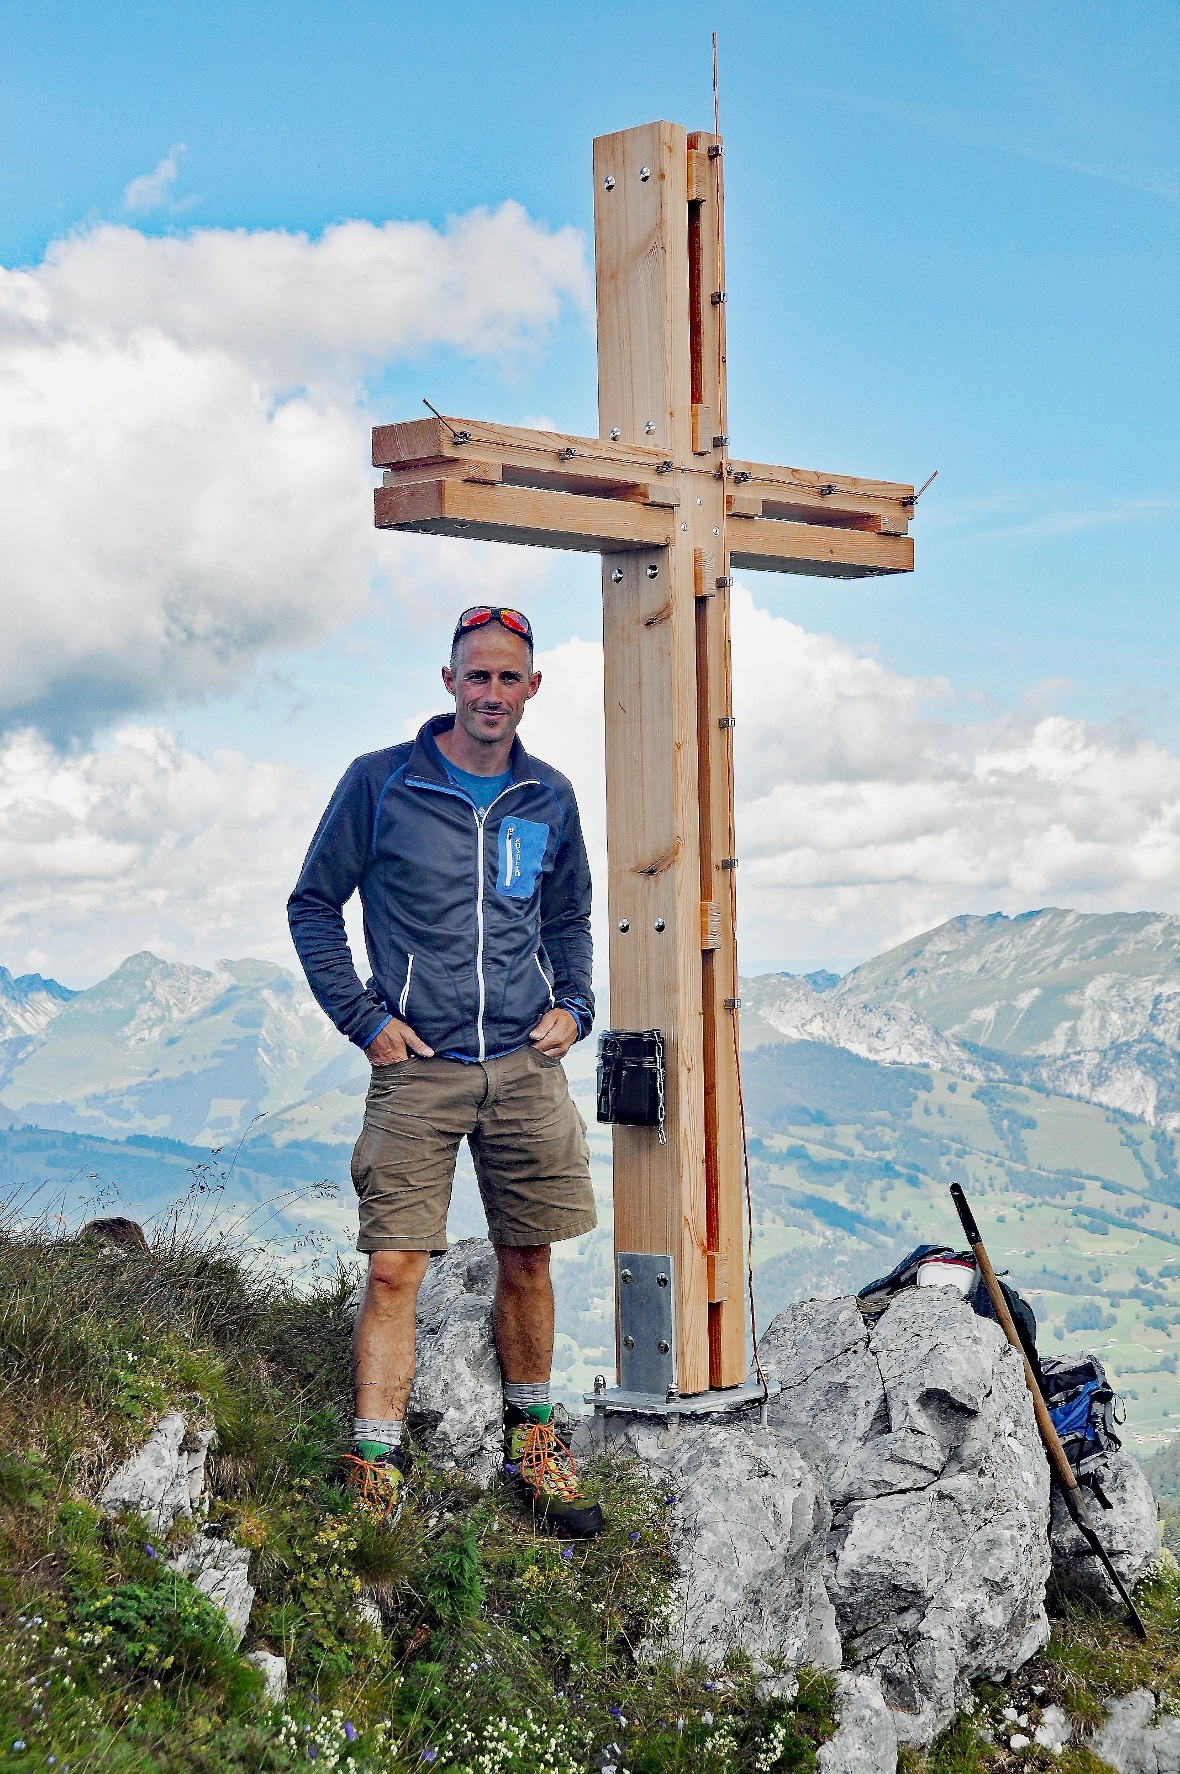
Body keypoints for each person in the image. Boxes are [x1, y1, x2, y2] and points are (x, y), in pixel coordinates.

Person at [288, 605, 602, 1536]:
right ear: (448, 682)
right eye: (478, 676)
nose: (492, 693)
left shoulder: (548, 796)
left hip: (523, 1062)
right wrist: (362, 1019)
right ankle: (375, 1460)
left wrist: (575, 1006)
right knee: (393, 1267)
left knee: (529, 1255)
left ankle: (534, 1443)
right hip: (418, 1066)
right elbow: (313, 904)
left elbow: (570, 917)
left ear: (533, 688)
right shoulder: (382, 783)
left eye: (510, 678)